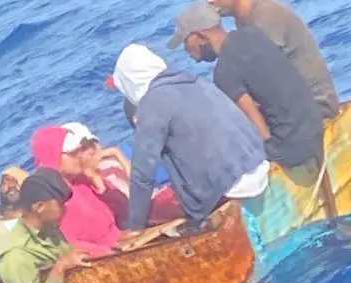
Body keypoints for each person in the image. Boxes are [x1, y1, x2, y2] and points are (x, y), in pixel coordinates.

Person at [112, 43, 269, 233]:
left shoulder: (152, 103)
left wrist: (135, 226)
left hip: (232, 186)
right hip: (257, 165)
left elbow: (143, 175)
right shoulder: (193, 81)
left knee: (155, 212)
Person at [172, 1, 323, 170]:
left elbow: (260, 131)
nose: (186, 51)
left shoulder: (224, 72)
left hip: (295, 150)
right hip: (316, 125)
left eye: (185, 43)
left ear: (199, 36)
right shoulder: (253, 33)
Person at [207, 0, 339, 119]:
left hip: (317, 109)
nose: (209, 1)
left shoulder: (267, 14)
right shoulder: (249, 20)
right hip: (298, 109)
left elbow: (266, 80)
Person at [0, 169, 91, 283]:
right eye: (60, 204)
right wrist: (60, 268)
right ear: (39, 207)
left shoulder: (49, 229)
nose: (65, 209)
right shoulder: (15, 256)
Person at [65, 121, 184, 226]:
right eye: (85, 147)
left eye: (92, 143)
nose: (91, 150)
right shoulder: (86, 178)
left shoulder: (111, 161)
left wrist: (118, 155)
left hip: (153, 200)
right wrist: (94, 174)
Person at [30, 125, 121, 255]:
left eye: (79, 150)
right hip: (101, 261)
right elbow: (67, 245)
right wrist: (109, 251)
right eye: (73, 153)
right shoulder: (49, 199)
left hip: (119, 245)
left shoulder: (80, 181)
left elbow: (119, 214)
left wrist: (97, 181)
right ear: (54, 156)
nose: (79, 156)